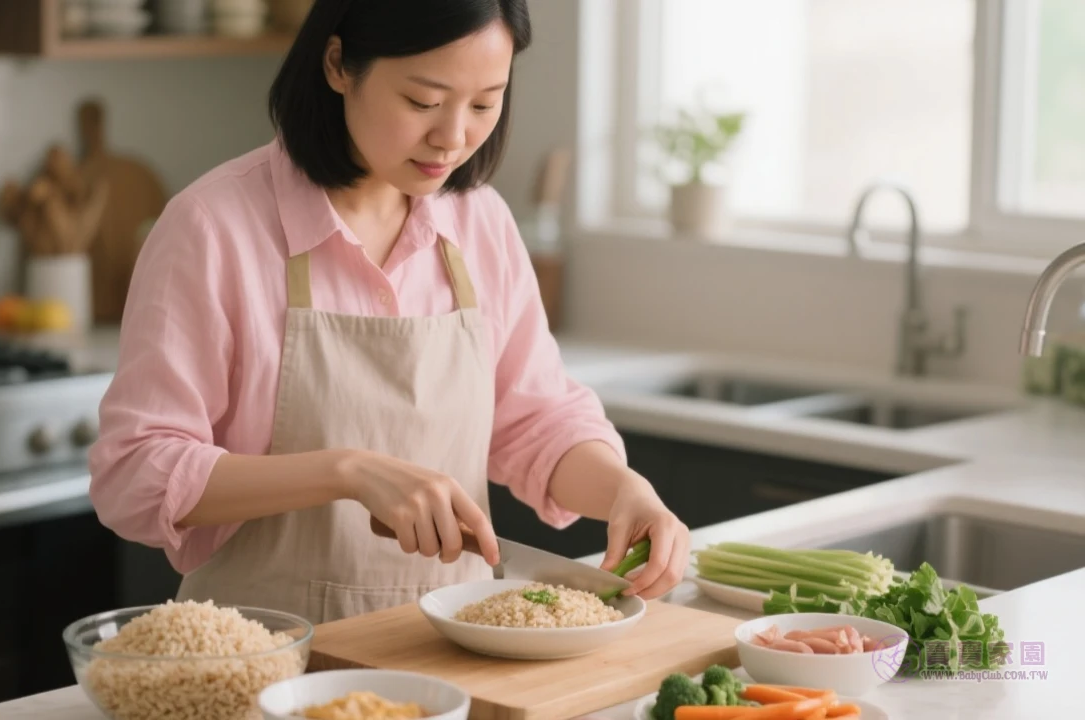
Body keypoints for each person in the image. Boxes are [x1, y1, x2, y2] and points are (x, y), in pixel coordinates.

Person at [87, 0, 690, 626]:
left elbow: (536, 421)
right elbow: (135, 471)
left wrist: (624, 491)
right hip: (263, 663)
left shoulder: (479, 222)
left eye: (485, 104)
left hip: (453, 658)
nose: (453, 136)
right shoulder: (213, 228)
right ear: (339, 64)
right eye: (424, 102)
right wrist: (345, 472)